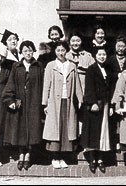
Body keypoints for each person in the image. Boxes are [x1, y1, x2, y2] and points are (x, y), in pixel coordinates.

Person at [1, 40, 44, 171]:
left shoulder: (39, 66)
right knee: (20, 129)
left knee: (32, 130)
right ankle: (21, 154)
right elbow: (10, 84)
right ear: (21, 52)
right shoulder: (16, 66)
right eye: (25, 50)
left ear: (33, 51)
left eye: (30, 50)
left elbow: (43, 85)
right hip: (20, 104)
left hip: (34, 104)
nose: (28, 53)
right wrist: (10, 101)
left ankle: (28, 155)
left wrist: (43, 103)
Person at [41, 41, 83, 169]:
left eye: (63, 50)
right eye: (58, 50)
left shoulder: (72, 65)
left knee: (66, 129)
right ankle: (55, 157)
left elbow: (77, 85)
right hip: (54, 102)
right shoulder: (50, 65)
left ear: (67, 51)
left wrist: (80, 99)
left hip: (68, 101)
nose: (61, 53)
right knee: (55, 130)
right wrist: (45, 104)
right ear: (55, 51)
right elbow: (46, 86)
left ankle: (63, 157)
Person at [81, 46, 112, 173]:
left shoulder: (108, 70)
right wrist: (93, 102)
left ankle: (100, 159)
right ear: (95, 56)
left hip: (105, 104)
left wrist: (111, 105)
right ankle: (92, 159)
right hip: (94, 105)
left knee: (103, 133)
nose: (102, 57)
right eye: (99, 54)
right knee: (93, 133)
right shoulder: (91, 69)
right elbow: (89, 88)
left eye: (104, 54)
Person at [0, 29, 20, 165]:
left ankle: (14, 152)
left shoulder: (19, 56)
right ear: (5, 43)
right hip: (4, 95)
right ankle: (3, 156)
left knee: (14, 124)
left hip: (17, 95)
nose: (13, 41)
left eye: (15, 38)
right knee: (3, 124)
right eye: (10, 39)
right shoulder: (4, 60)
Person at [107, 36, 126, 154]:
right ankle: (114, 142)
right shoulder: (110, 60)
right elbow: (107, 74)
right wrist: (117, 75)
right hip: (113, 91)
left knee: (124, 117)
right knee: (113, 119)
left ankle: (123, 142)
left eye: (123, 46)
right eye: (118, 46)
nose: (121, 49)